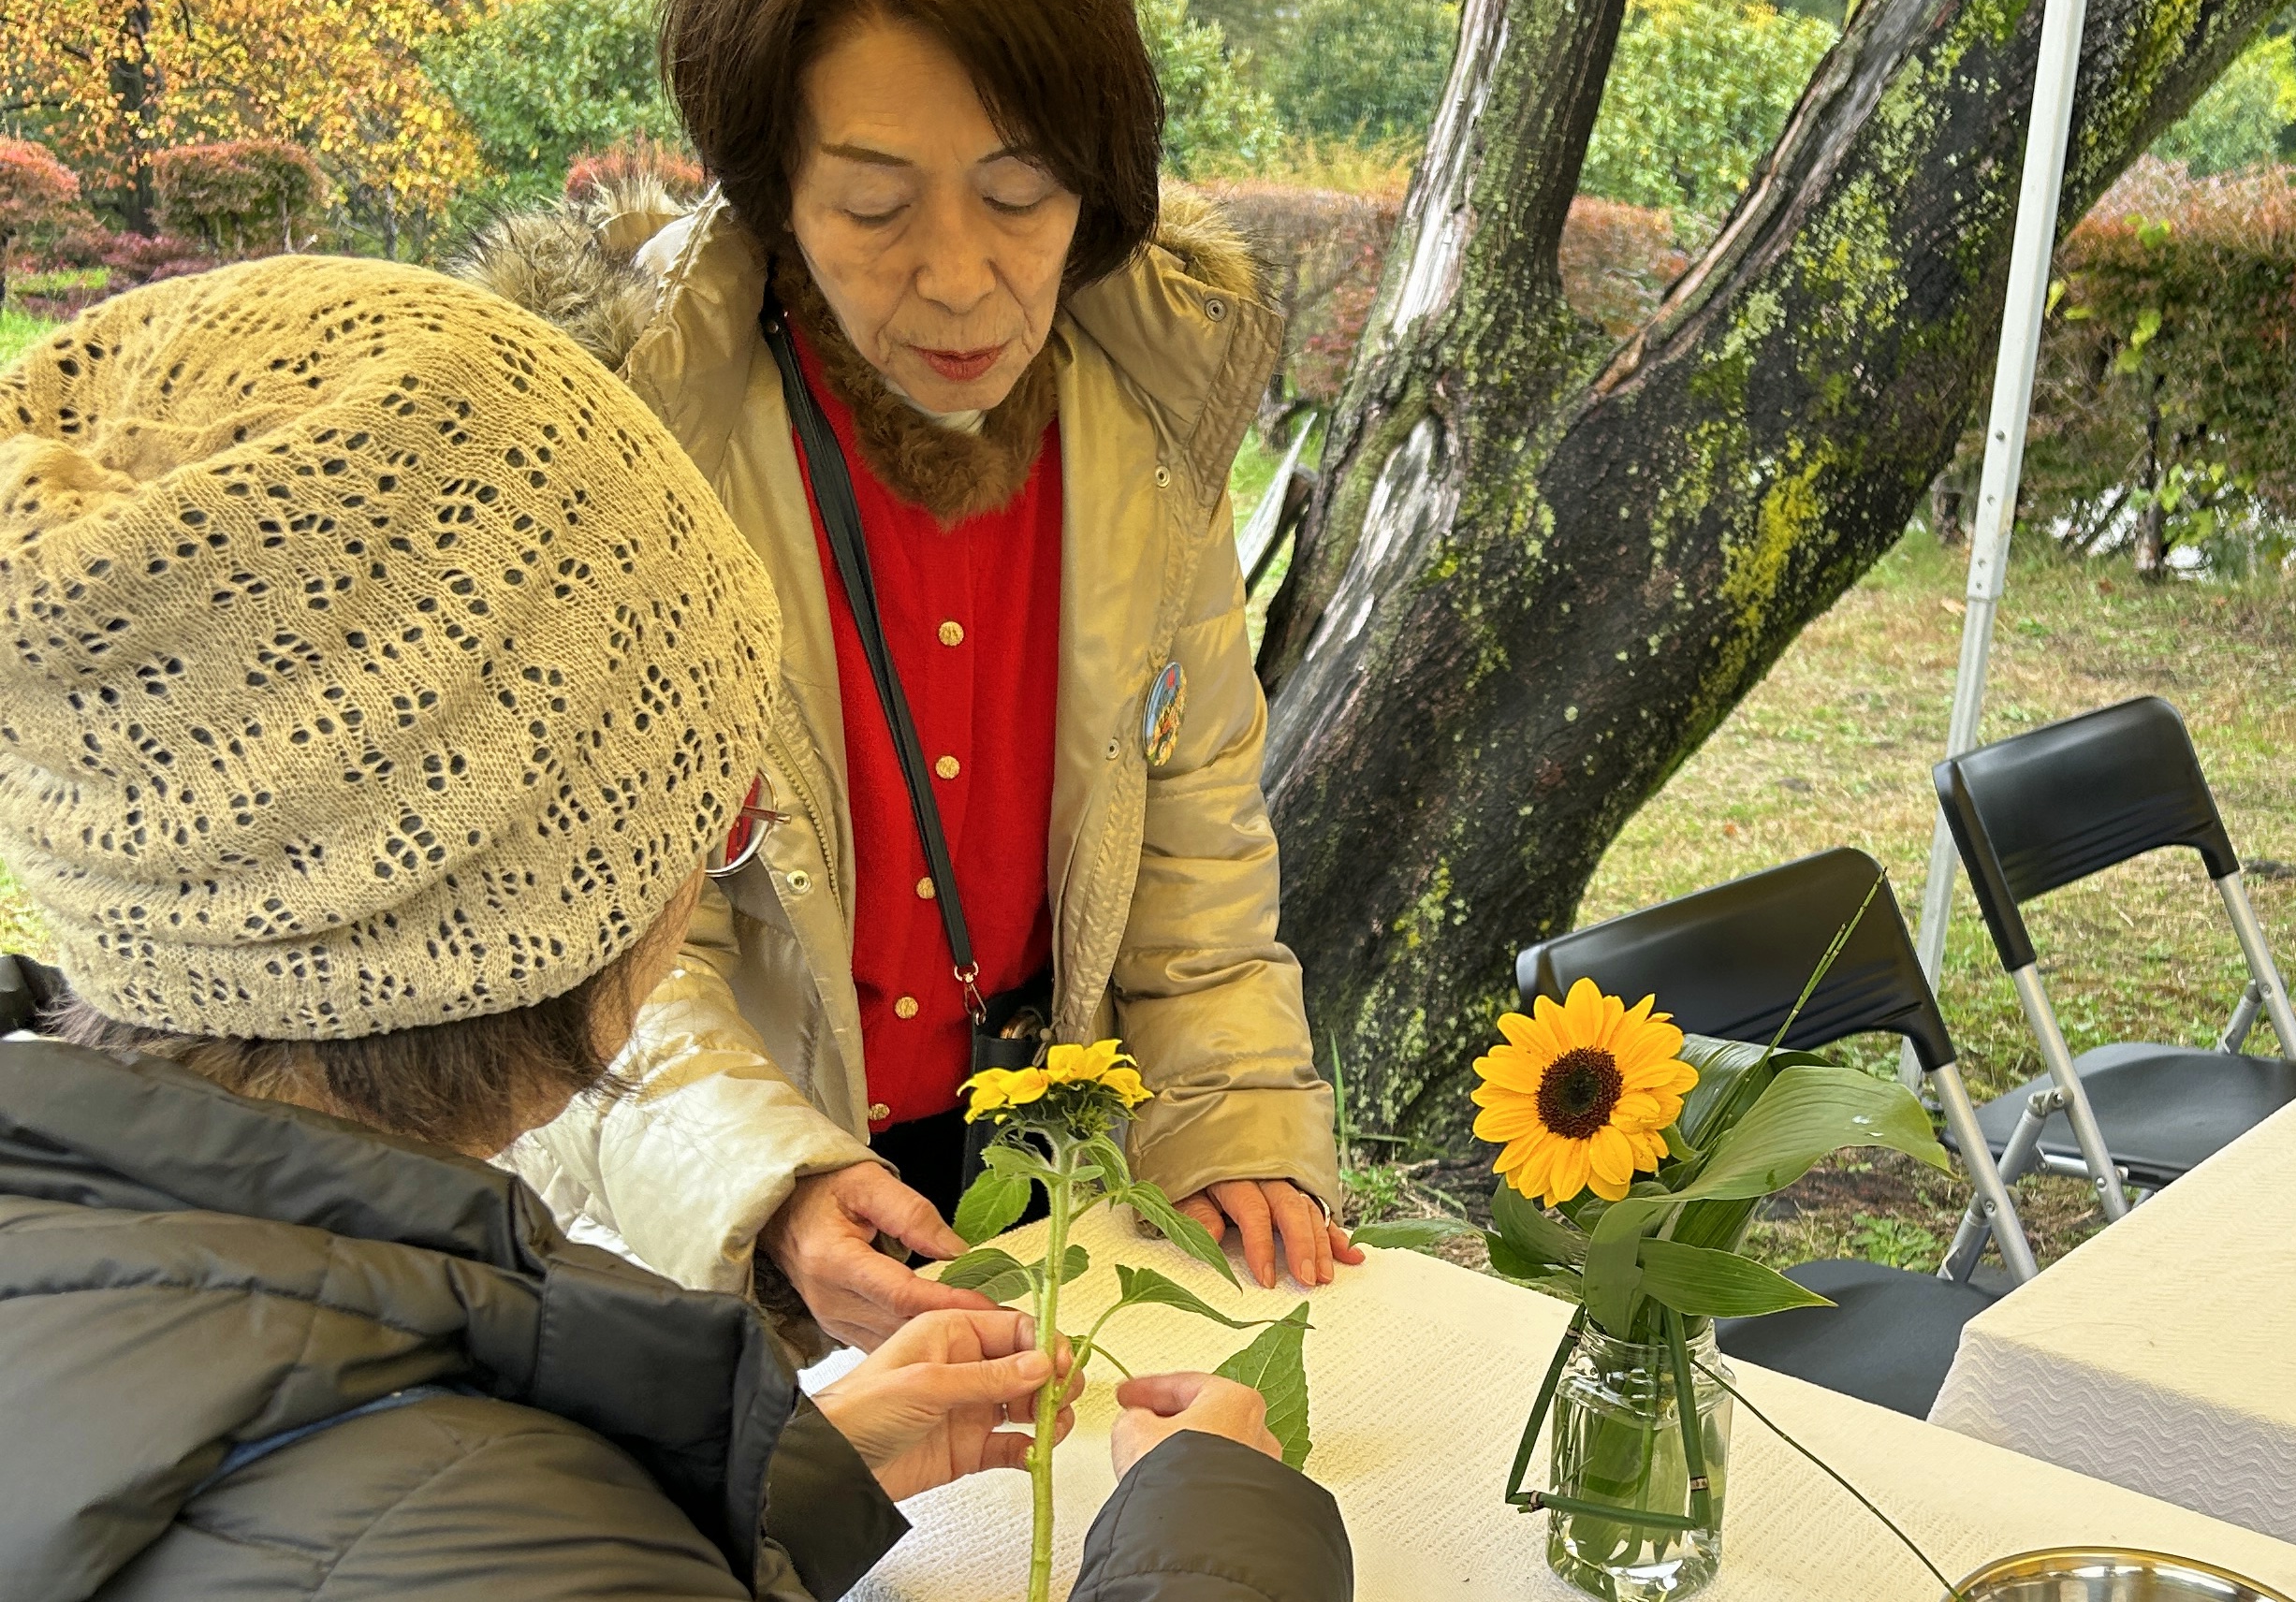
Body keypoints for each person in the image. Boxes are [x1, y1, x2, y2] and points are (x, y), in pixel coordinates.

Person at [0, 259, 1352, 1602]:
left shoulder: (90, 1257)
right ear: (557, 903)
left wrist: (779, 1488)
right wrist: (1217, 1535)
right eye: (714, 805)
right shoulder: (521, 1535)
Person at [462, 0, 1358, 1351]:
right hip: (722, 1201)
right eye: (874, 206)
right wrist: (769, 1186)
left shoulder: (1151, 419)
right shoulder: (629, 438)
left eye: (1021, 194)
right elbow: (584, 950)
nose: (958, 276)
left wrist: (1237, 1125)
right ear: (768, 187)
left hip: (1030, 1173)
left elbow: (1198, 852)